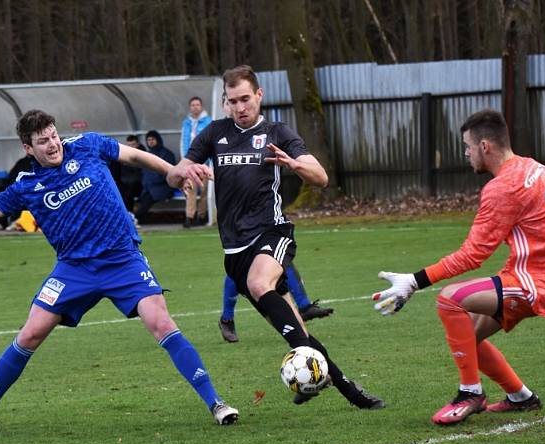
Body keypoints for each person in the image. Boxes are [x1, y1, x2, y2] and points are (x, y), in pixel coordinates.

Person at [0, 109, 238, 440]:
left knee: (161, 323)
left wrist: (173, 171)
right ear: (28, 148)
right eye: (42, 141)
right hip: (74, 269)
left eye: (53, 135)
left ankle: (216, 403)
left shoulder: (87, 145)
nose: (52, 144)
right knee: (30, 334)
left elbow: (134, 155)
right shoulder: (27, 186)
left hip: (122, 259)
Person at [168, 65, 383, 409]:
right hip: (234, 250)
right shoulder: (213, 133)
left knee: (258, 283)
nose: (240, 107)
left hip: (272, 232)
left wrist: (294, 164)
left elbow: (321, 176)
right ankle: (351, 392)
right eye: (232, 101)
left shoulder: (276, 132)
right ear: (225, 102)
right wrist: (184, 172)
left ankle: (335, 382)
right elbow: (173, 175)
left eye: (245, 99)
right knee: (296, 334)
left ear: (259, 95)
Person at [371, 109, 545, 425]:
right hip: (540, 273)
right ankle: (522, 398)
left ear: (485, 146)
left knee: (450, 298)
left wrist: (413, 281)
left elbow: (472, 255)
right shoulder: (533, 168)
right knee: (469, 338)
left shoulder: (503, 187)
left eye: (467, 146)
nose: (466, 153)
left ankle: (470, 393)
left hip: (537, 281)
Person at [219, 265, 334, 343]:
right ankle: (226, 320)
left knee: (281, 261)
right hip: (238, 239)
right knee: (236, 270)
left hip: (258, 234)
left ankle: (305, 307)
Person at [180, 97, 212, 227]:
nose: (195, 107)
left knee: (204, 191)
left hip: (204, 162)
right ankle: (189, 217)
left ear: (202, 106)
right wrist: (184, 160)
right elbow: (183, 141)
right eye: (192, 105)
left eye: (197, 104)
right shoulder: (186, 122)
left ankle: (202, 215)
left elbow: (211, 142)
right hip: (190, 162)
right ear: (190, 107)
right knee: (190, 189)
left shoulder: (209, 121)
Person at [135, 130, 176, 224]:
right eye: (148, 140)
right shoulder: (146, 154)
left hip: (163, 187)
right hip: (148, 188)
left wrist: (155, 182)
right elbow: (144, 173)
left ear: (158, 140)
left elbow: (170, 173)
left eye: (153, 139)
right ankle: (136, 218)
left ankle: (136, 218)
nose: (150, 142)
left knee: (146, 200)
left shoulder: (166, 154)